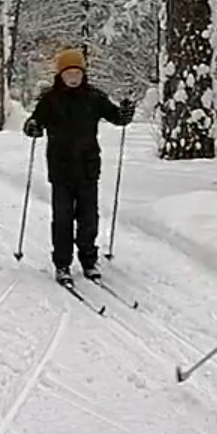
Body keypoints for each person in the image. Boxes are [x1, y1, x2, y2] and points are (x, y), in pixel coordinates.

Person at [22, 47, 136, 283]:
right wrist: (32, 127)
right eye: (68, 74)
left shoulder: (94, 97)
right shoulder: (51, 99)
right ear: (60, 75)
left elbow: (116, 117)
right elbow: (35, 122)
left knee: (89, 219)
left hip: (88, 168)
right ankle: (62, 264)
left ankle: (89, 261)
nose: (73, 78)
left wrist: (125, 113)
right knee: (62, 219)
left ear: (83, 74)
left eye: (77, 73)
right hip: (60, 169)